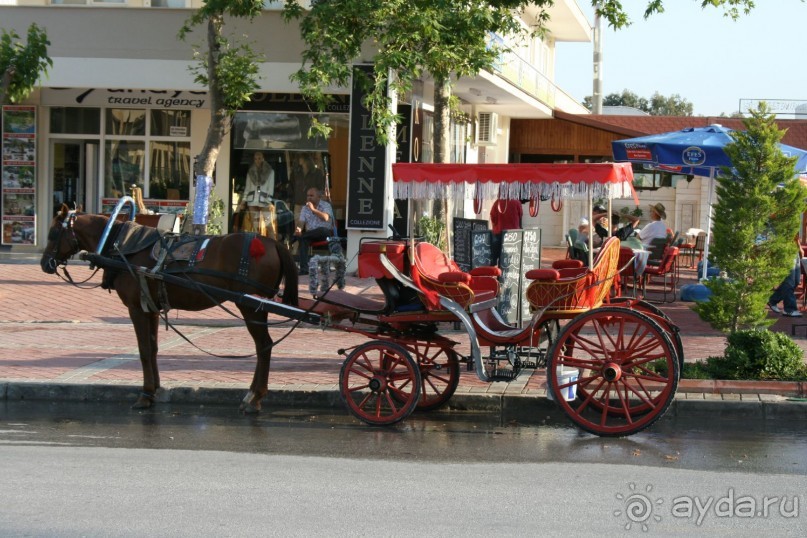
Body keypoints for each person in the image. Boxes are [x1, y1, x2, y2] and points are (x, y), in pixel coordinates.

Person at [293, 187, 334, 275]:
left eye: (311, 195)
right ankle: (304, 269)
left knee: (320, 230)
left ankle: (296, 238)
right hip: (310, 235)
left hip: (324, 233)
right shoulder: (305, 208)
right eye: (308, 196)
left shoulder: (326, 205)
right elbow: (301, 222)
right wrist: (299, 229)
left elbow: (325, 218)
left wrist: (313, 210)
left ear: (318, 197)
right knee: (303, 239)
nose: (309, 198)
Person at [768, 244, 803, 317]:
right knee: (789, 281)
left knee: (796, 281)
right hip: (785, 248)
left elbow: (794, 234)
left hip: (794, 249)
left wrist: (799, 246)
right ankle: (789, 309)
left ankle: (772, 300)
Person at [489, 198, 522, 266]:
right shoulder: (517, 202)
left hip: (499, 232)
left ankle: (495, 269)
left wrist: (495, 225)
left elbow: (492, 216)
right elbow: (520, 216)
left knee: (496, 254)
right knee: (511, 255)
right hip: (514, 234)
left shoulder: (497, 202)